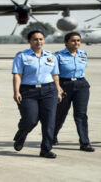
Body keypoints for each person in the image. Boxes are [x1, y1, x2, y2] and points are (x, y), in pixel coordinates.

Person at [12, 30, 62, 158]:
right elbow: (17, 74)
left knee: (49, 121)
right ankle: (22, 134)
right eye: (35, 39)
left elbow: (55, 75)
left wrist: (58, 90)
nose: (38, 42)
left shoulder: (51, 56)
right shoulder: (21, 56)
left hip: (49, 90)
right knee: (30, 119)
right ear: (29, 41)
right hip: (28, 91)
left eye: (41, 39)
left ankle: (45, 149)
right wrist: (16, 91)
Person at [53, 32, 94, 152]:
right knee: (60, 114)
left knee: (81, 114)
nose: (76, 43)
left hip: (81, 85)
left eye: (78, 41)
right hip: (64, 84)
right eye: (73, 41)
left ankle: (84, 142)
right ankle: (52, 135)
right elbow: (54, 73)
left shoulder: (83, 54)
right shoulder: (58, 55)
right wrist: (57, 88)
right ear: (66, 42)